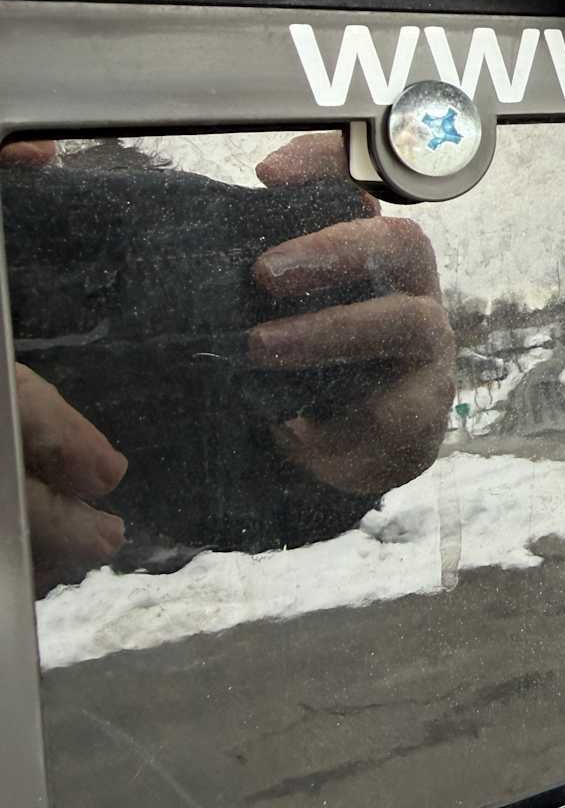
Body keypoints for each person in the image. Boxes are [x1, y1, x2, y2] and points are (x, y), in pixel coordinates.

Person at [3, 133, 455, 595]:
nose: (49, 298)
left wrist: (329, 464)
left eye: (120, 265)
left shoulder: (184, 407)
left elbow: (187, 506)